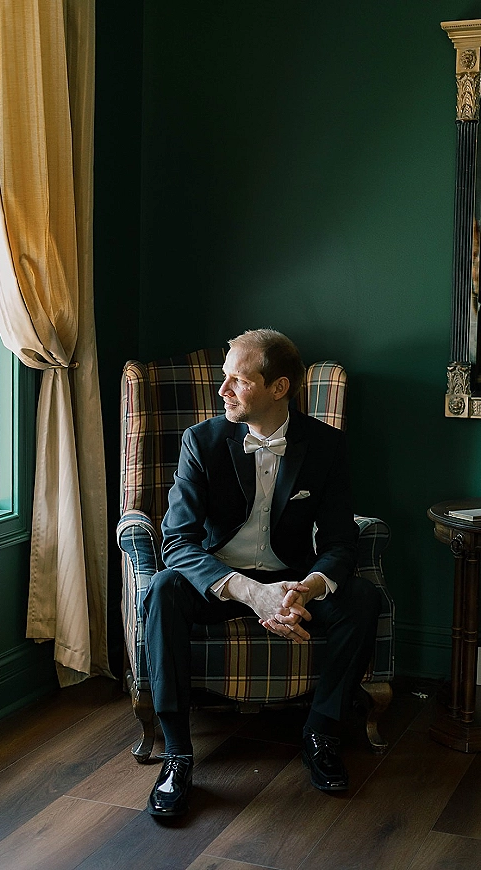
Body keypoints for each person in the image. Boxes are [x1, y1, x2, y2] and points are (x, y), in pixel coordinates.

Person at [143, 328, 381, 818]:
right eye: (223, 377)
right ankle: (177, 753)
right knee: (164, 589)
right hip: (221, 581)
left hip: (290, 580)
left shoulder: (326, 446)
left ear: (279, 387)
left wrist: (307, 589)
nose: (223, 390)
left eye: (239, 380)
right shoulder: (201, 442)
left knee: (362, 599)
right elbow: (177, 541)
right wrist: (252, 593)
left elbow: (340, 541)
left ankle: (321, 733)